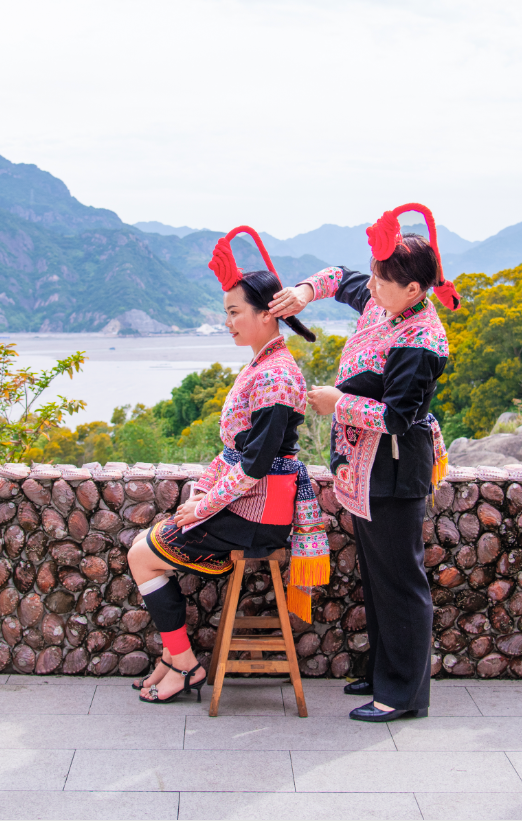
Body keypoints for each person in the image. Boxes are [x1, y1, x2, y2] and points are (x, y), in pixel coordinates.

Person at [269, 203, 459, 723]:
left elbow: (398, 417)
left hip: (395, 470)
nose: (370, 287)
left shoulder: (421, 341)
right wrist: (303, 293)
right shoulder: (384, 300)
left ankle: (402, 693)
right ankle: (382, 672)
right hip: (365, 468)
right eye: (374, 276)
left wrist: (339, 403)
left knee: (399, 581)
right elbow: (340, 278)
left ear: (414, 290)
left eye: (381, 280)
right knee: (377, 578)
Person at [126, 226, 331, 704]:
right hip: (249, 506)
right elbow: (242, 455)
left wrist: (201, 507)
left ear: (266, 314)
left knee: (141, 555)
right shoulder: (265, 365)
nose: (228, 322)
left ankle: (184, 664)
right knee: (141, 547)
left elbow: (255, 465)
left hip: (257, 515)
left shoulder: (276, 376)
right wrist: (202, 497)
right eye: (227, 313)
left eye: (235, 312)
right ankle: (173, 660)